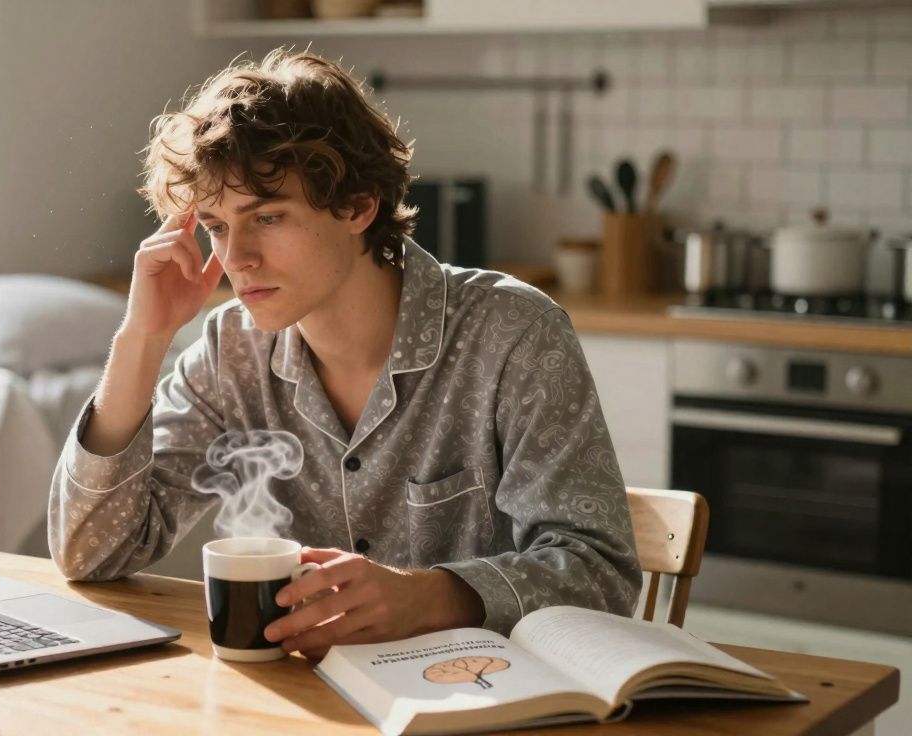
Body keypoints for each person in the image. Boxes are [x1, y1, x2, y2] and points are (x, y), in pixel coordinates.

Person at [49, 49, 641, 660]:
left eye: (268, 216)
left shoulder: (512, 333)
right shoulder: (232, 350)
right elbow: (91, 555)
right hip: (308, 699)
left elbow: (600, 575)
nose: (237, 258)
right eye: (217, 226)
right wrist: (141, 339)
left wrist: (429, 596)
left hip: (489, 699)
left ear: (359, 206)